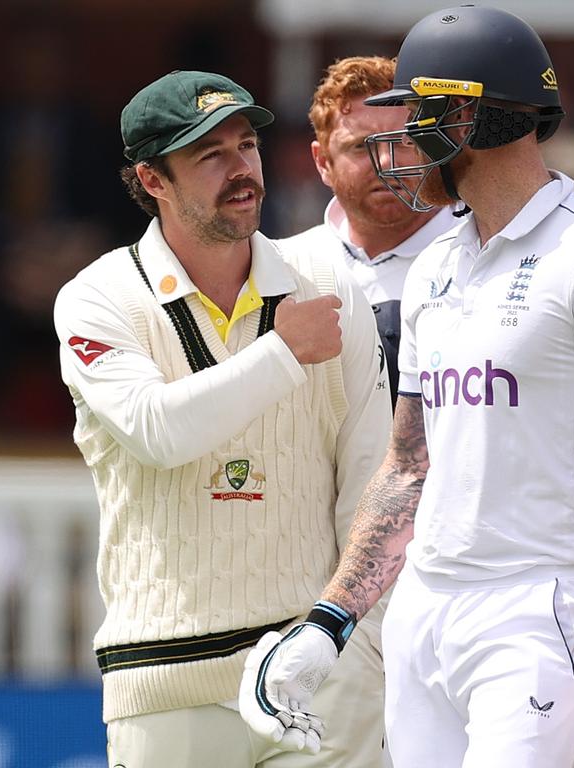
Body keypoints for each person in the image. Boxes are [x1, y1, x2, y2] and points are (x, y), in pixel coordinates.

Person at [239, 8, 574, 768]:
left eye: (420, 118)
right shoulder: (436, 266)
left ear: (467, 116)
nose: (403, 147)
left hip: (549, 608)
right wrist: (331, 619)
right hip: (426, 606)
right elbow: (410, 466)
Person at [52, 70, 392, 768]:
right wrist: (285, 351)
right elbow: (159, 433)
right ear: (153, 180)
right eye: (210, 155)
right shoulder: (97, 299)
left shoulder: (331, 288)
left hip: (317, 670)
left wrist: (359, 644)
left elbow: (370, 481)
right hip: (166, 682)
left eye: (247, 145)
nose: (242, 171)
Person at [278, 56, 459, 403]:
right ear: (322, 162)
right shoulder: (283, 266)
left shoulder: (482, 253)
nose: (387, 162)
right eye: (361, 146)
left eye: (404, 141)